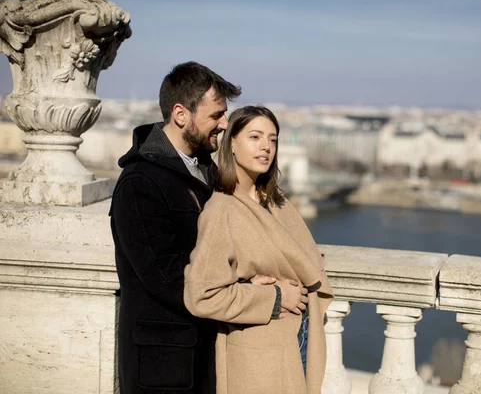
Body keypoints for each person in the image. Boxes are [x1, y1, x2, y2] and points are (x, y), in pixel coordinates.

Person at [110, 63, 307, 394]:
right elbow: (167, 280)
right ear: (181, 114)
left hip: (203, 354)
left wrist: (243, 277)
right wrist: (266, 297)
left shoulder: (206, 173)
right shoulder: (140, 183)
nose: (224, 124)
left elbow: (215, 255)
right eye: (216, 115)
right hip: (165, 364)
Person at [184, 105, 334, 394]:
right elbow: (201, 296)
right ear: (232, 144)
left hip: (296, 341)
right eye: (255, 137)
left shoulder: (276, 201)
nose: (266, 146)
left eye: (273, 139)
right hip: (257, 353)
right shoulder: (222, 210)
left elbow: (305, 261)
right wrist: (274, 297)